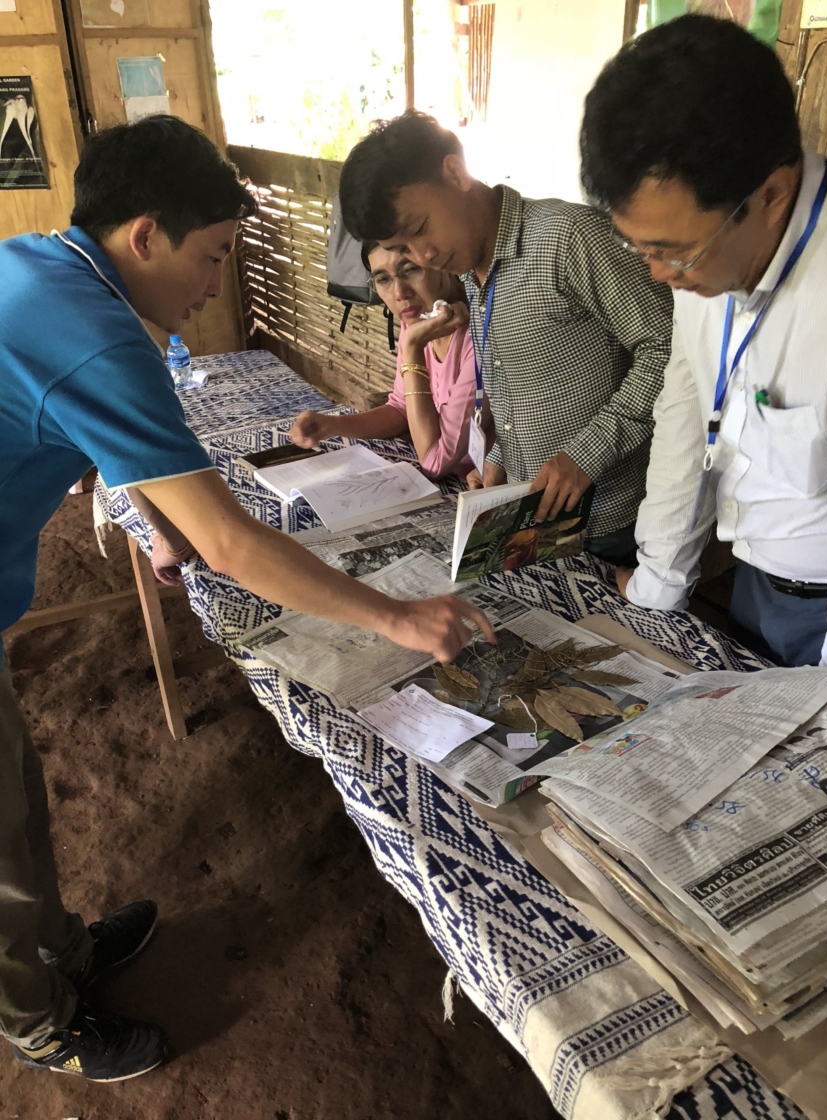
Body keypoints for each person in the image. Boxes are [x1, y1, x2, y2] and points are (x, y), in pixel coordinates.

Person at [0, 115, 493, 1083]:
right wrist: (397, 617)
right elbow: (232, 540)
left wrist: (161, 524)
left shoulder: (43, 269)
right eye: (215, 253)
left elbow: (106, 439)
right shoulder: (98, 336)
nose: (217, 282)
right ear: (146, 235)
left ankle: (60, 946)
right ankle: (37, 1019)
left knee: (13, 793)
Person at [580, 14, 827, 667]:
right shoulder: (708, 258)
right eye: (637, 247)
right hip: (757, 583)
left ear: (772, 196)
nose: (658, 274)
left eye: (673, 251)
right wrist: (655, 592)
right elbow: (686, 415)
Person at [338, 110, 673, 567]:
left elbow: (668, 348)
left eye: (418, 231)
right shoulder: (473, 276)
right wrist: (496, 454)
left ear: (455, 172)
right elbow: (517, 390)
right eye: (403, 249)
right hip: (532, 517)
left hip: (609, 520)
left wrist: (586, 454)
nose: (425, 255)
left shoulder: (567, 237)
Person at [290, 242, 494, 484]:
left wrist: (412, 347)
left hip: (487, 485)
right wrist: (332, 425)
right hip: (453, 478)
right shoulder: (420, 321)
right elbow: (401, 408)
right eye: (384, 279)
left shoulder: (481, 338)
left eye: (410, 270)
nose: (400, 293)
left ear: (443, 266)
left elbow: (435, 461)